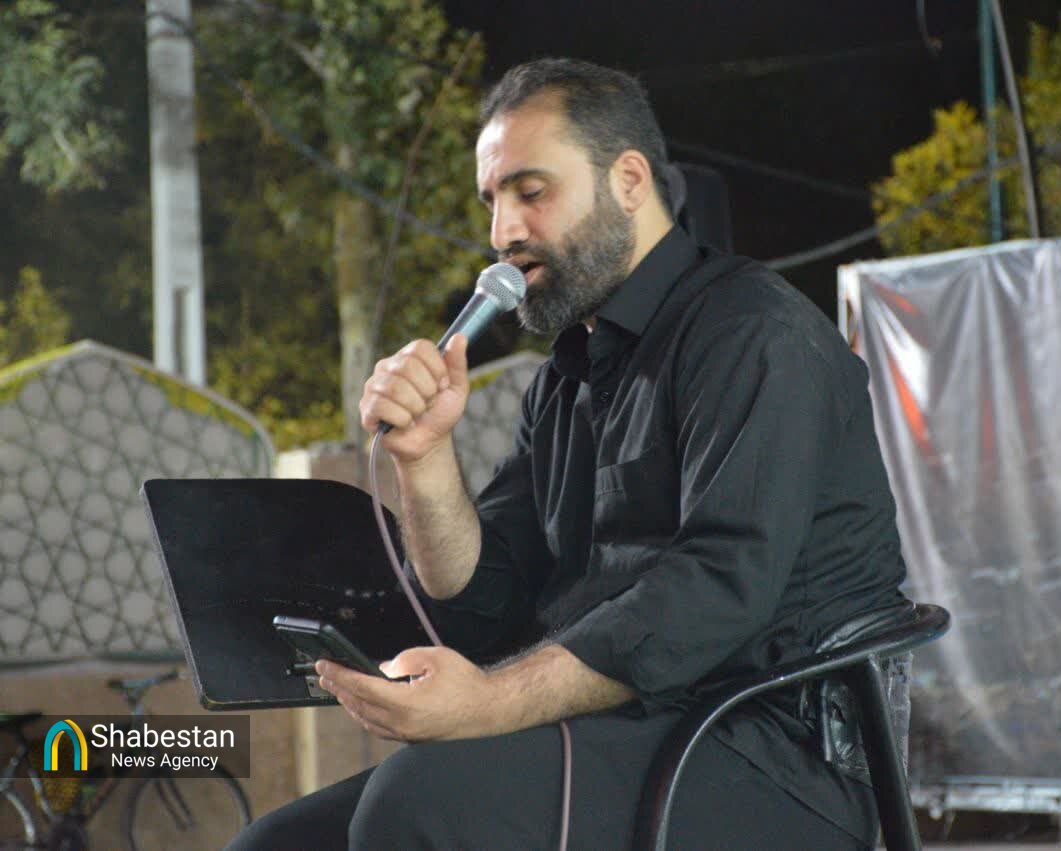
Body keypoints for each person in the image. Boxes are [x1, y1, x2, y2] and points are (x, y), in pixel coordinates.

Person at [230, 57, 909, 850]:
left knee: (420, 803)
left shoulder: (755, 334)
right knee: (274, 844)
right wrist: (424, 457)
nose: (502, 233)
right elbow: (483, 598)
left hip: (772, 755)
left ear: (629, 181)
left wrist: (486, 704)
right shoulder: (567, 379)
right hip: (628, 729)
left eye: (531, 191)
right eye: (492, 201)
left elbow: (717, 589)